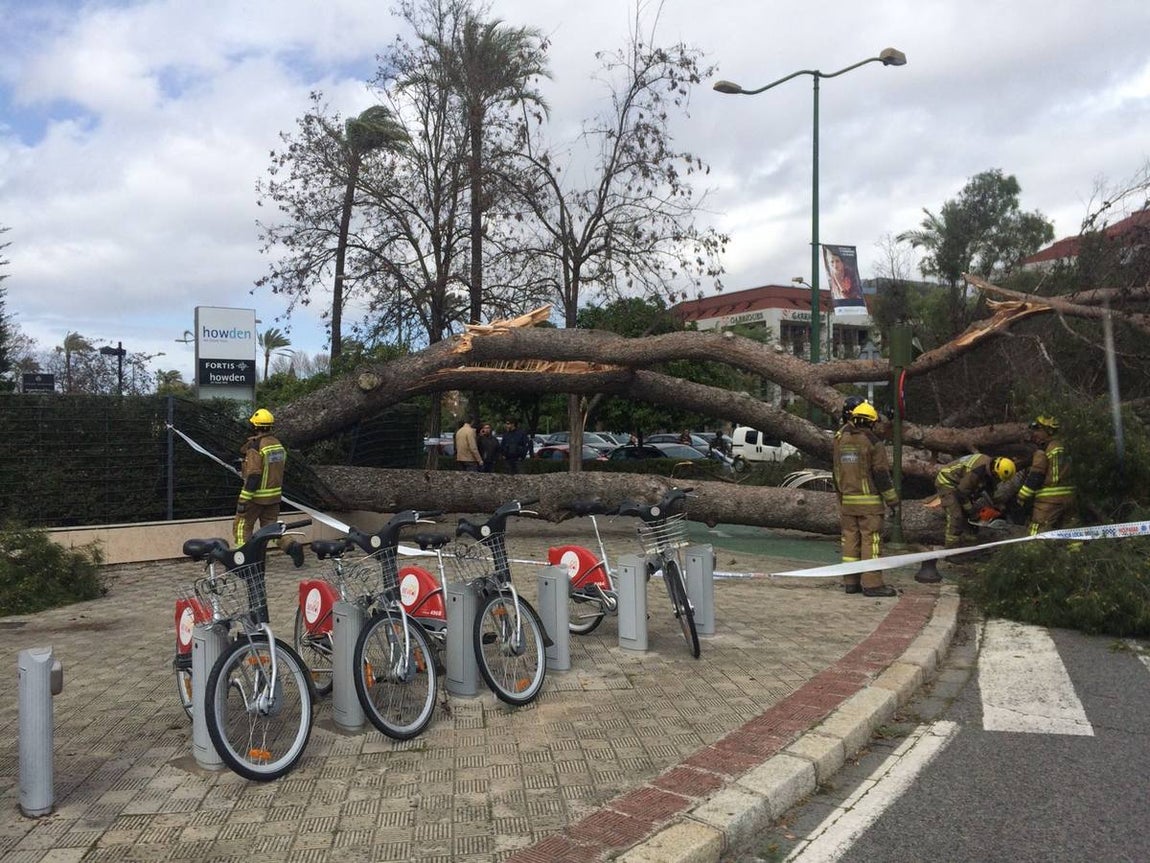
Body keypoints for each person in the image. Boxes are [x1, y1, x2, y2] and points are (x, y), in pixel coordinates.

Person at [832, 401, 899, 596]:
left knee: (850, 541)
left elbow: (836, 471)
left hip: (847, 501)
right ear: (870, 422)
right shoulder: (873, 442)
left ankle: (851, 583)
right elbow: (881, 474)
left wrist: (841, 496)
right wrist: (892, 500)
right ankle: (872, 585)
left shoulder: (840, 439)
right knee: (872, 541)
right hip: (869, 503)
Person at [233, 408, 305, 567]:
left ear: (255, 426)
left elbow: (254, 475)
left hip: (255, 497)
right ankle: (291, 545)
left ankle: (243, 559)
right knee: (270, 528)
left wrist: (243, 499)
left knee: (242, 526)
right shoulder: (278, 444)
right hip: (274, 496)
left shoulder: (256, 446)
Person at [934, 454, 1017, 548]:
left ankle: (969, 543)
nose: (998, 479)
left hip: (963, 484)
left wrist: (995, 507)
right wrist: (971, 511)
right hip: (948, 481)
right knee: (956, 515)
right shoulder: (977, 471)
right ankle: (951, 549)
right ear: (995, 471)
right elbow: (961, 492)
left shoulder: (990, 468)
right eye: (998, 477)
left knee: (972, 511)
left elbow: (989, 491)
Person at [1016, 415, 1076, 534]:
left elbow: (1035, 477)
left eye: (1038, 430)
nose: (1035, 434)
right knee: (1071, 530)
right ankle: (1076, 552)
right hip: (1071, 498)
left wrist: (1021, 496)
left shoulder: (1043, 451)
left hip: (1048, 501)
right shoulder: (1065, 447)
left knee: (1038, 530)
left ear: (1048, 431)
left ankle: (1034, 550)